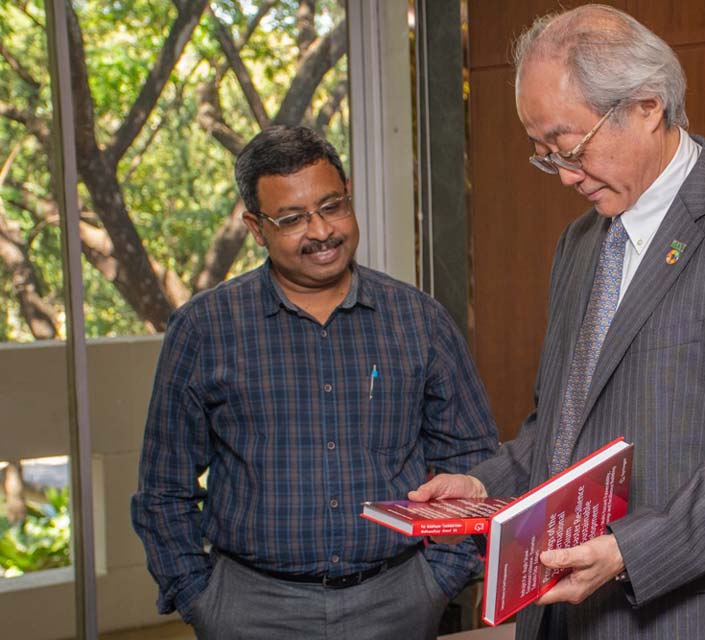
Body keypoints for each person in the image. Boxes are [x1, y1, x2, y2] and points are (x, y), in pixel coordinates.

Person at [411, 5, 705, 639]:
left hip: (702, 616)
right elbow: (561, 425)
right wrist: (479, 484)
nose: (565, 176)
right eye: (545, 155)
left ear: (646, 105)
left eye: (571, 147)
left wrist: (631, 552)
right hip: (570, 613)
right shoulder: (579, 244)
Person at [131, 125, 498, 639]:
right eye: (292, 219)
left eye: (332, 206)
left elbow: (473, 458)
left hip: (399, 600)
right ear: (256, 228)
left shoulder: (419, 320)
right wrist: (200, 596)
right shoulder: (205, 328)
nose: (321, 231)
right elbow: (163, 489)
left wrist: (438, 577)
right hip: (250, 610)